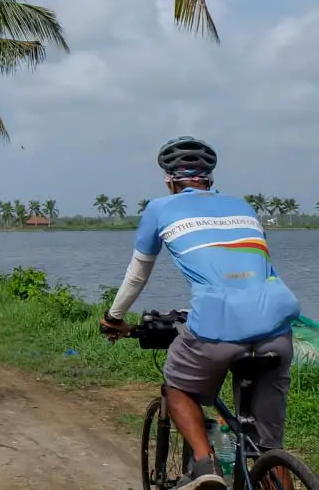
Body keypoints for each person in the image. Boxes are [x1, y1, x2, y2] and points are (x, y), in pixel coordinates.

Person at [100, 137, 300, 490]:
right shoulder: (243, 207)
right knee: (267, 445)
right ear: (209, 177)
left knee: (177, 387)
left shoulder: (160, 208)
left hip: (217, 327)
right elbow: (246, 271)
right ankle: (275, 472)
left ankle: (207, 467)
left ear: (169, 180)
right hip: (278, 324)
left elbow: (137, 276)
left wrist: (114, 317)